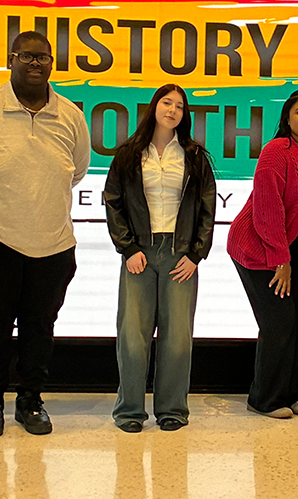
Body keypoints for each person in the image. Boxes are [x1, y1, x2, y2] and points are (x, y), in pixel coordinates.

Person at [0, 31, 91, 438]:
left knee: (40, 327)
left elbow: (76, 171)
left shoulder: (70, 116)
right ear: (11, 59)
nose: (35, 63)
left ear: (51, 64)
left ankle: (30, 401)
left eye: (43, 57)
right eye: (26, 56)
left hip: (52, 242)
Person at [104, 84, 216, 433]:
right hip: (140, 253)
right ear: (154, 107)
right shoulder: (129, 153)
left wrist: (197, 254)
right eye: (166, 103)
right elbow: (113, 202)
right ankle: (129, 412)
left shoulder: (195, 155)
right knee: (133, 335)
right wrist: (128, 248)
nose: (172, 110)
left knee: (178, 337)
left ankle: (172, 410)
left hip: (180, 255)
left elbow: (207, 208)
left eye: (179, 106)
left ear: (185, 115)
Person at [227, 88, 298, 419]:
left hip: (292, 244)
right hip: (257, 242)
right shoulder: (277, 151)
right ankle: (265, 398)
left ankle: (295, 393)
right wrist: (280, 261)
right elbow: (268, 208)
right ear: (287, 119)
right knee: (279, 321)